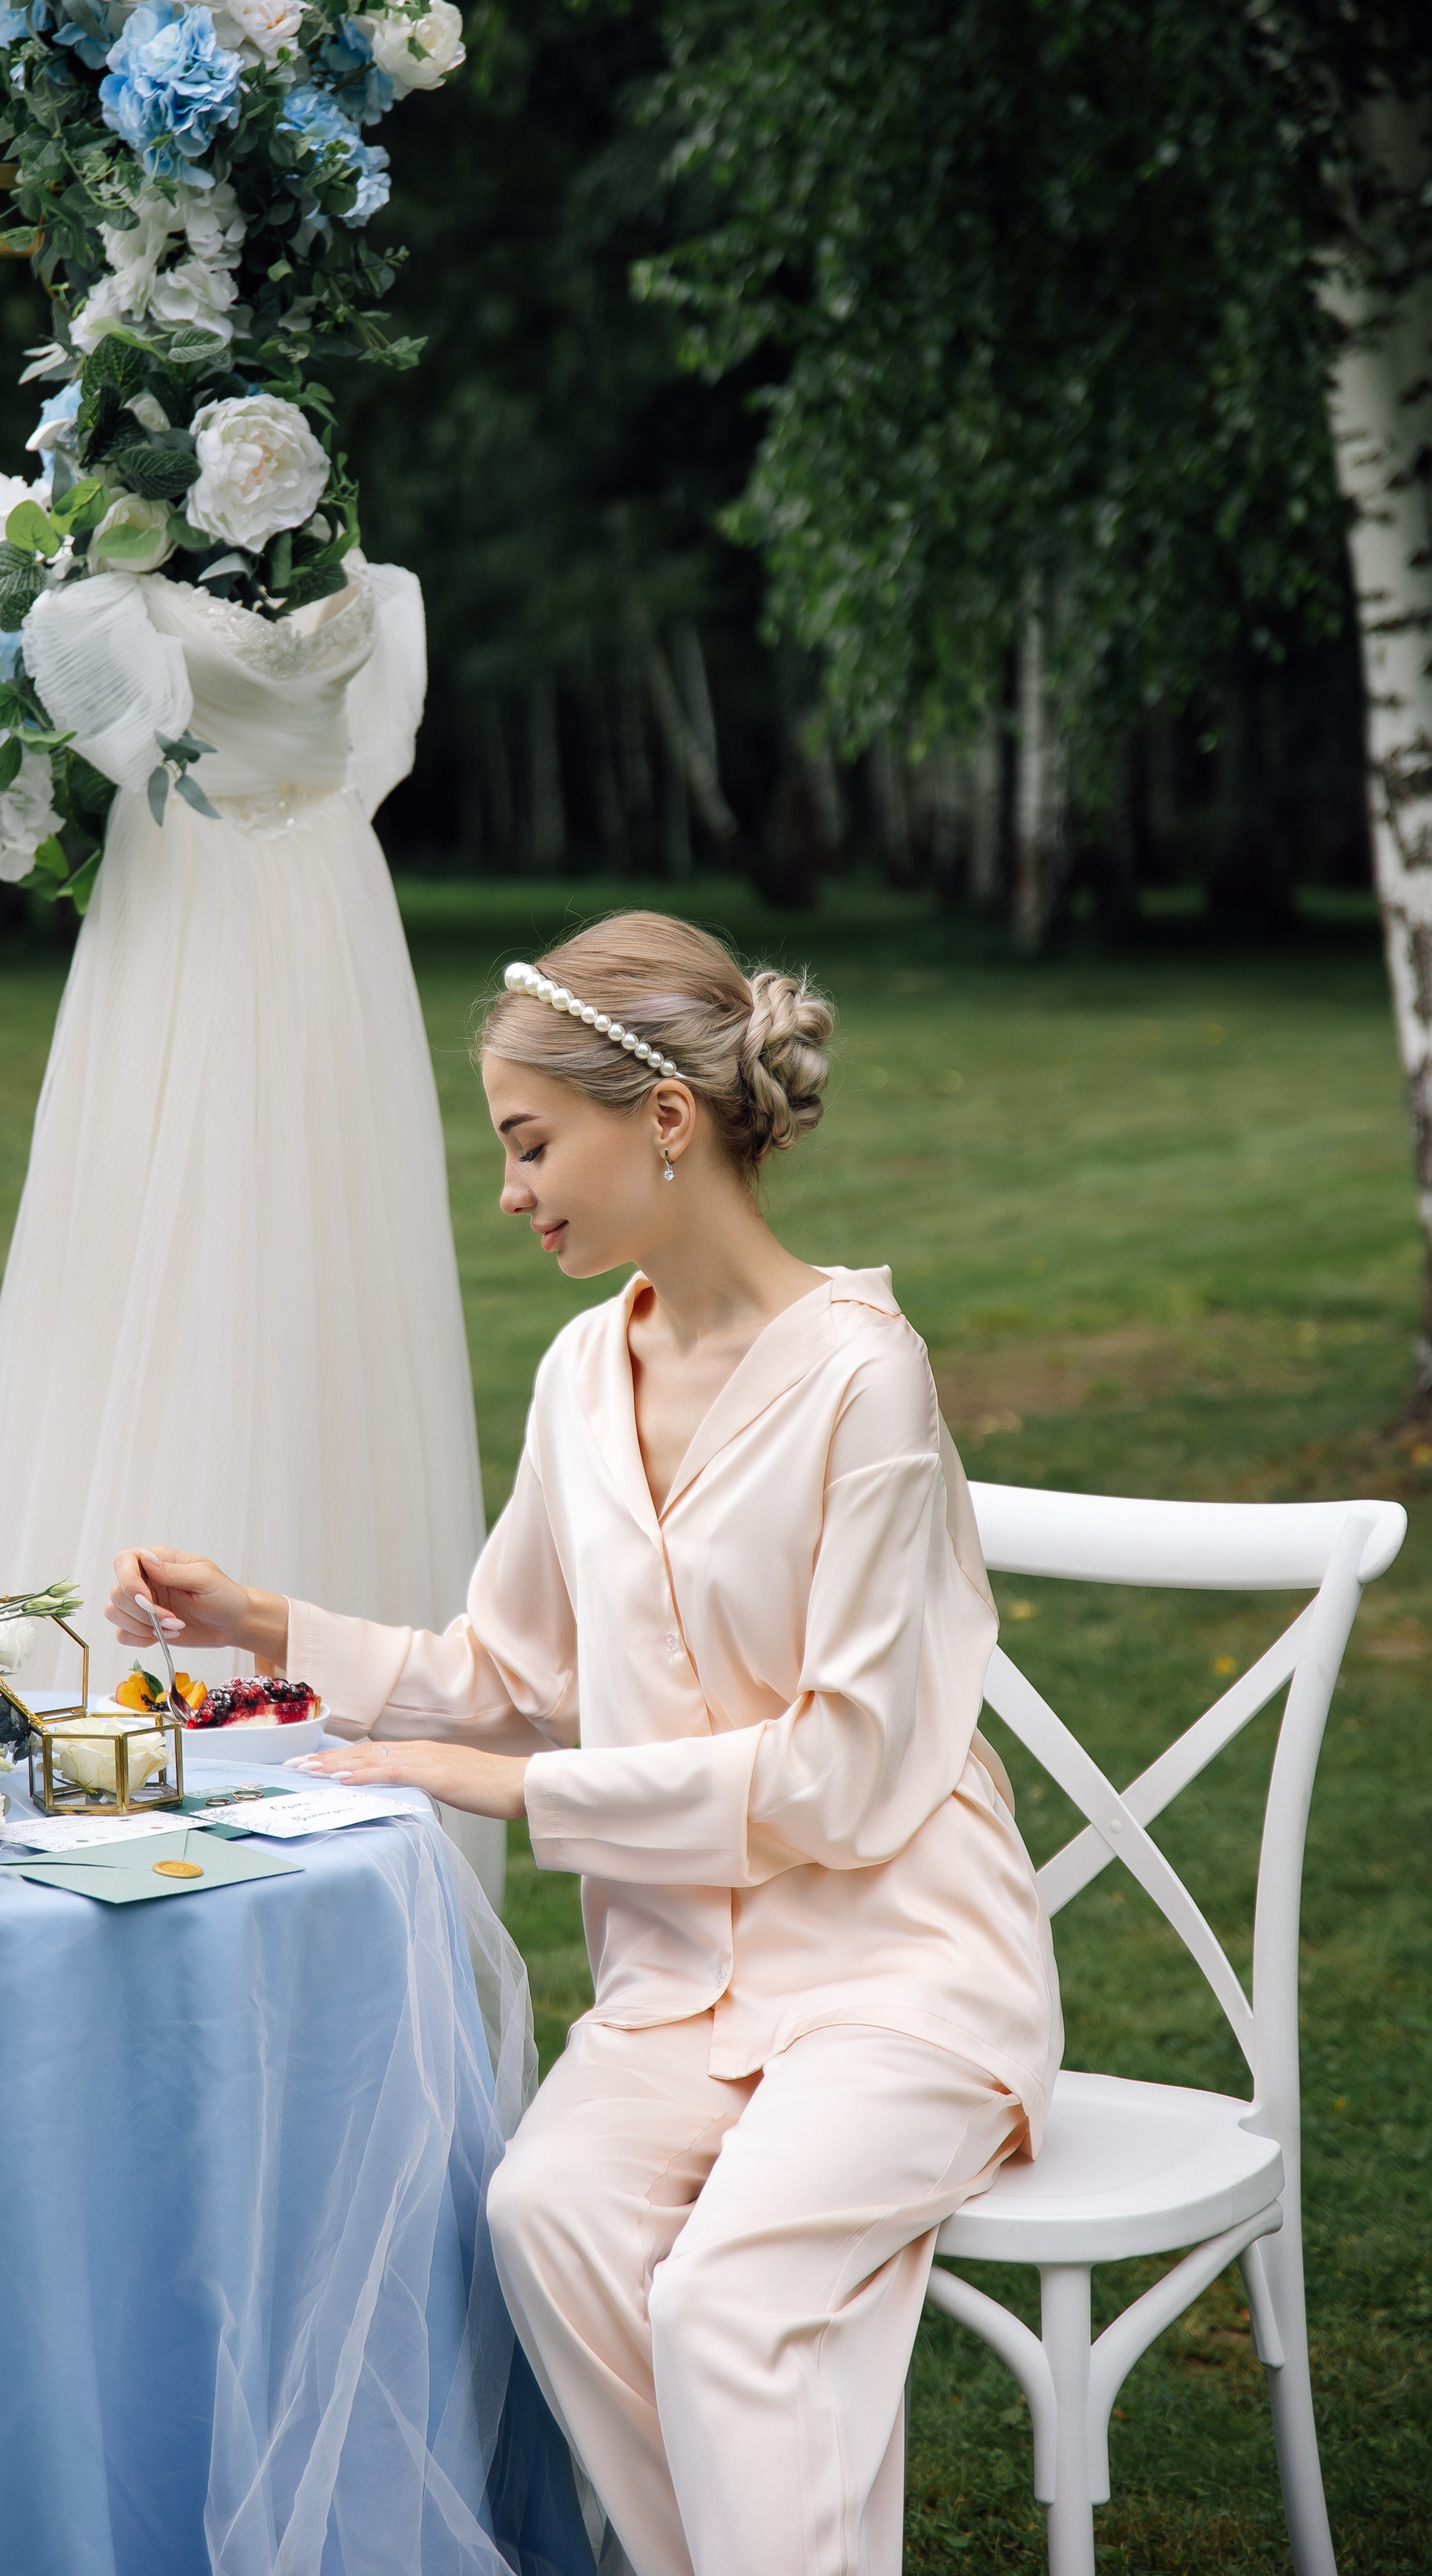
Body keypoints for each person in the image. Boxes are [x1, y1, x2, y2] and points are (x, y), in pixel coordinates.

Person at [106, 912, 1064, 2576]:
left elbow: (836, 1779)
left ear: (666, 1122)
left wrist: (510, 1792)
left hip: (899, 1971)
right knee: (543, 2218)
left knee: (725, 2296)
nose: (509, 1187)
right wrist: (267, 1626)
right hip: (682, 1982)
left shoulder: (864, 1385)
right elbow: (513, 1664)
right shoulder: (575, 1371)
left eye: (530, 1142)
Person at [0, 555, 485, 1723]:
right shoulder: (109, 583)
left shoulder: (365, 586)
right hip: (216, 905)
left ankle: (324, 1679)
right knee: (165, 1237)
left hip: (311, 922)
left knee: (325, 1267)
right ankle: (133, 1681)